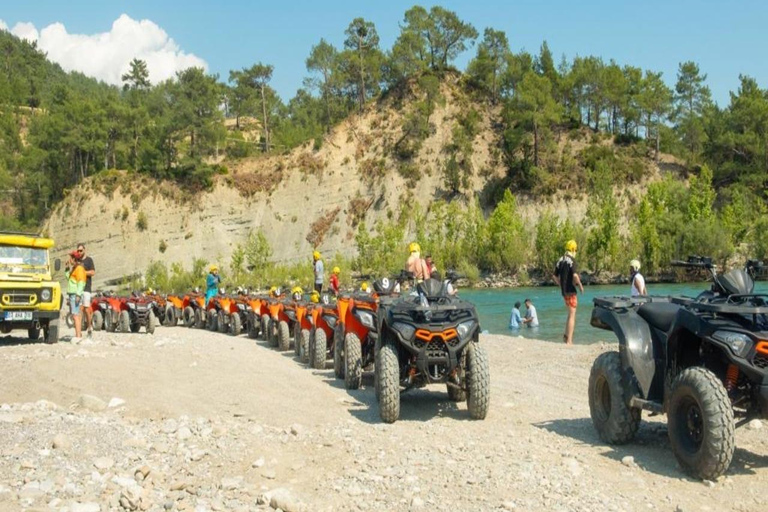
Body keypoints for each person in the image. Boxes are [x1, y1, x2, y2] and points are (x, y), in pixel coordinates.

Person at [553, 240, 584, 345]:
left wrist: (560, 284)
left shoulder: (560, 260)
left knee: (569, 314)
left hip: (564, 291)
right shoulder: (572, 260)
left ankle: (566, 337)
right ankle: (569, 341)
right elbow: (575, 276)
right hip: (571, 291)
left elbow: (554, 276)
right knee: (572, 315)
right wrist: (580, 286)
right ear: (573, 249)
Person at [65, 251, 86, 339]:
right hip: (73, 294)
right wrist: (67, 269)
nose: (69, 260)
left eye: (70, 258)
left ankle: (78, 336)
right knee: (76, 315)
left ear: (74, 259)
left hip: (75, 295)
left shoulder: (79, 269)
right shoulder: (75, 268)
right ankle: (78, 334)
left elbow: (81, 283)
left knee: (75, 315)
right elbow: (68, 279)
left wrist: (78, 295)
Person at [76, 244, 95, 337]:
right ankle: (78, 333)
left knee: (87, 309)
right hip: (78, 288)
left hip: (87, 288)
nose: (79, 252)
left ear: (84, 250)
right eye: (78, 251)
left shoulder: (89, 260)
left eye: (81, 250)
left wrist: (83, 272)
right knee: (79, 310)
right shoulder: (77, 260)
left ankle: (89, 327)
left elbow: (92, 272)